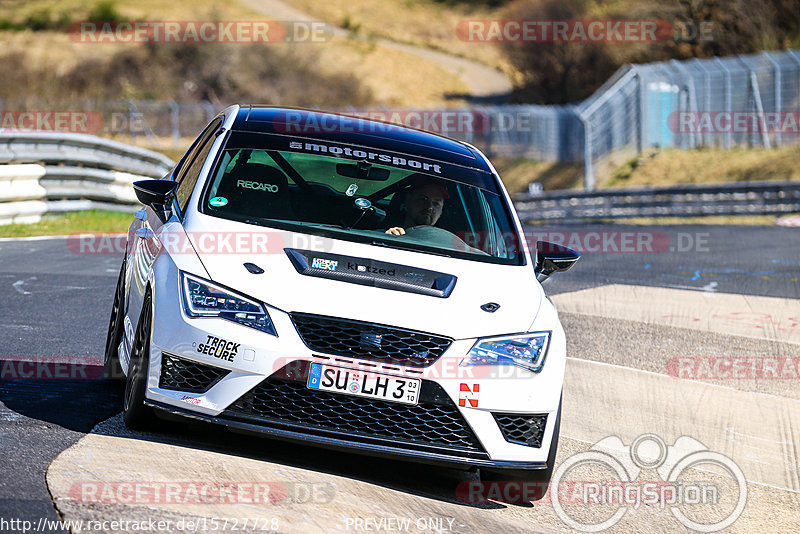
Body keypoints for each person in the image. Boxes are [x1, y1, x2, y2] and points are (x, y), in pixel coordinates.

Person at [385, 176, 450, 235]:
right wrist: (388, 237)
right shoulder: (383, 235)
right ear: (408, 200)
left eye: (436, 203)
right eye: (424, 199)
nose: (430, 207)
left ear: (441, 212)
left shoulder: (446, 245)